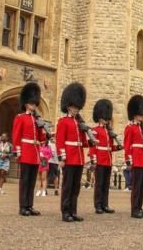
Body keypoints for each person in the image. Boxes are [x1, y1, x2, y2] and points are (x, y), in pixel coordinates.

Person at [12, 82, 47, 216]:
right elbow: (16, 136)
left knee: (32, 181)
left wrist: (46, 134)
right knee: (25, 180)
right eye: (32, 103)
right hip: (26, 151)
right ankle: (23, 206)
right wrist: (18, 151)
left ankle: (30, 205)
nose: (34, 106)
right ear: (26, 104)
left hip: (35, 153)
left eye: (35, 104)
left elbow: (41, 138)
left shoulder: (37, 119)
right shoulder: (20, 118)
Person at [56, 82, 90, 222]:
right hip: (69, 157)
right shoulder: (63, 122)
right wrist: (62, 158)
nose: (76, 109)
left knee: (76, 187)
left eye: (77, 107)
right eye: (74, 107)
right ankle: (65, 212)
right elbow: (60, 141)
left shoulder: (79, 123)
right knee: (68, 186)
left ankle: (73, 211)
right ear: (68, 107)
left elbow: (83, 141)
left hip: (79, 158)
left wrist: (92, 141)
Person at [89, 99, 121, 213]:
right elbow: (93, 147)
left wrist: (118, 147)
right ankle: (98, 205)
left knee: (106, 184)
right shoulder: (95, 130)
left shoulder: (109, 132)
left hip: (108, 160)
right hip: (100, 160)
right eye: (104, 116)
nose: (106, 119)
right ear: (99, 117)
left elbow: (110, 148)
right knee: (99, 184)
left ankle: (105, 204)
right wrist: (94, 160)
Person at [124, 95, 143, 219]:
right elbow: (127, 146)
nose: (142, 116)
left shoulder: (142, 129)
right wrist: (129, 161)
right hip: (136, 160)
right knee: (136, 187)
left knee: (141, 187)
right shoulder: (130, 128)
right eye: (140, 114)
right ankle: (134, 210)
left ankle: (139, 208)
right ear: (135, 114)